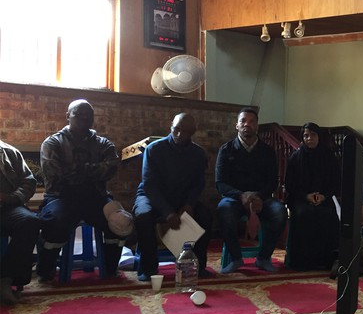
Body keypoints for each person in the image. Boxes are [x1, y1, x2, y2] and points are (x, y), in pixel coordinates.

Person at [38, 99, 132, 282]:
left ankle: (111, 268)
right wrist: (93, 170)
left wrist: (75, 169)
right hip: (61, 197)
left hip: (95, 197)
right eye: (78, 115)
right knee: (55, 222)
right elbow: (55, 174)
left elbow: (111, 168)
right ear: (67, 116)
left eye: (88, 116)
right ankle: (45, 270)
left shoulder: (103, 143)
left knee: (120, 221)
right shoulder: (52, 143)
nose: (83, 119)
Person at [133, 113, 213, 281]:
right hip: (152, 197)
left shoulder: (198, 154)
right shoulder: (154, 149)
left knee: (205, 214)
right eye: (176, 129)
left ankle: (198, 266)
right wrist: (168, 212)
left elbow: (198, 183)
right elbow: (150, 185)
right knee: (143, 215)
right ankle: (148, 269)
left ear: (193, 132)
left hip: (182, 199)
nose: (178, 134)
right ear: (171, 126)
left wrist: (189, 204)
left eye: (184, 131)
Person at [215, 107, 287, 274]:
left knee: (279, 212)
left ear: (257, 126)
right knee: (223, 211)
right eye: (243, 121)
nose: (247, 124)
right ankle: (235, 258)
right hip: (235, 198)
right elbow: (220, 183)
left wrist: (258, 196)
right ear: (237, 126)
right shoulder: (226, 150)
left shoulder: (268, 152)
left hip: (262, 198)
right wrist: (241, 195)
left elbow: (272, 182)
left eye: (251, 121)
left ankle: (263, 257)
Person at [284, 122, 340, 271]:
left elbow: (335, 182)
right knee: (304, 214)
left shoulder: (329, 157)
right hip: (300, 198)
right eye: (306, 135)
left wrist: (323, 196)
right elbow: (290, 185)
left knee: (329, 216)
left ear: (319, 136)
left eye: (313, 135)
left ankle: (328, 261)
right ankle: (302, 262)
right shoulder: (295, 158)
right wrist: (306, 196)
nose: (309, 138)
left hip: (324, 197)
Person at [0, 139, 40, 304]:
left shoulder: (9, 152)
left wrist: (10, 198)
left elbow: (29, 182)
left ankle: (7, 279)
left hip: (7, 206)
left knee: (29, 221)